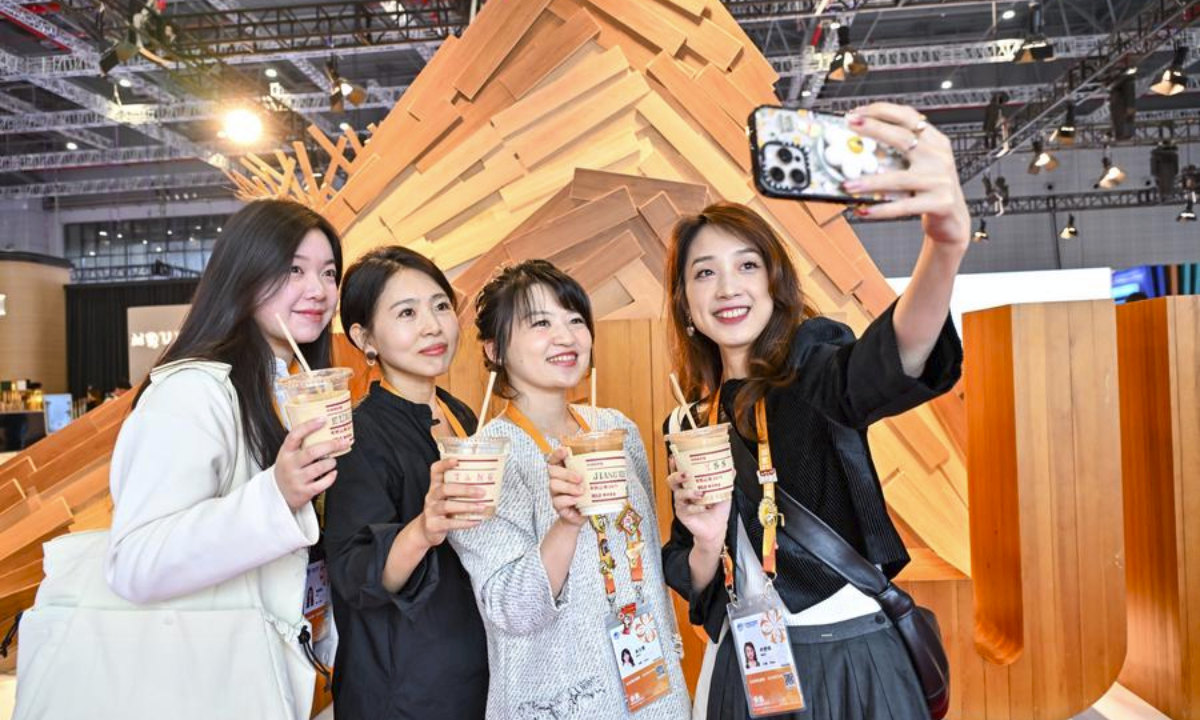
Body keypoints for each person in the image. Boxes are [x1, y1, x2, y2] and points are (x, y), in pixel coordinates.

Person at [661, 103, 966, 720]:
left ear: (775, 284)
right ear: (686, 304)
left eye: (748, 265)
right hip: (743, 665)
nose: (728, 288)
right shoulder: (684, 423)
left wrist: (944, 245)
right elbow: (692, 577)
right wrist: (701, 540)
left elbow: (884, 364)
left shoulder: (812, 362)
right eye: (705, 274)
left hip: (849, 652)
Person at [105, 199, 346, 719]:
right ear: (245, 272)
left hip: (308, 675)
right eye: (294, 270)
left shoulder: (298, 391)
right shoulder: (194, 392)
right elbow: (136, 564)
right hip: (217, 684)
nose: (319, 290)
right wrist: (275, 497)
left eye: (328, 273)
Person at [449, 260, 691, 719]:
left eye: (575, 320)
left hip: (653, 695)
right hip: (560, 702)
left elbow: (637, 561)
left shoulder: (615, 429)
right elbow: (512, 610)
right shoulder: (478, 461)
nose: (567, 336)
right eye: (540, 323)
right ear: (494, 349)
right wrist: (566, 523)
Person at [323, 246, 488, 719]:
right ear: (365, 337)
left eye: (440, 306)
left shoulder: (459, 415)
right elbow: (355, 573)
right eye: (407, 313)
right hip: (402, 692)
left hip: (472, 669)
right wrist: (424, 527)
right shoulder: (358, 434)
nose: (433, 325)